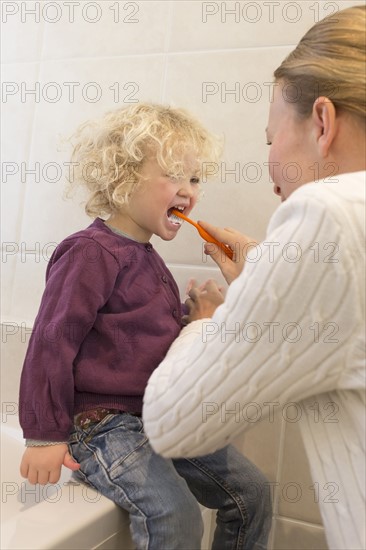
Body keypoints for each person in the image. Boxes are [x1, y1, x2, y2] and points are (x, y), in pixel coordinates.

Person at [142, 6, 366, 550]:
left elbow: (174, 423)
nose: (268, 163)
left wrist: (210, 320)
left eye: (270, 138)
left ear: (321, 122)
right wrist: (265, 273)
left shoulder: (329, 211)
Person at [19, 103, 272, 550]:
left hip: (156, 414)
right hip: (103, 423)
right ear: (122, 179)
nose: (190, 191)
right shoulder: (90, 253)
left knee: (251, 494)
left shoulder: (148, 257)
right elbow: (50, 342)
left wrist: (193, 320)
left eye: (194, 179)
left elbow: (141, 339)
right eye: (175, 175)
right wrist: (44, 435)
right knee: (174, 515)